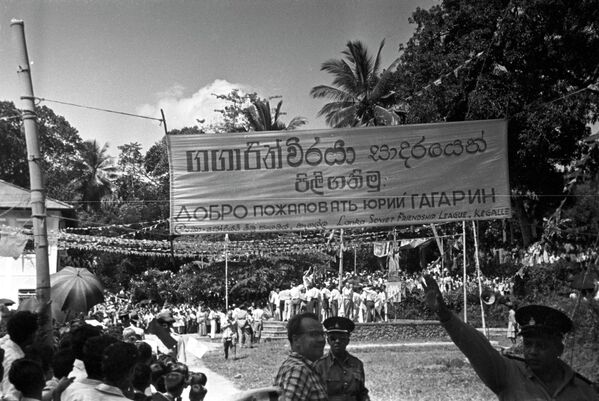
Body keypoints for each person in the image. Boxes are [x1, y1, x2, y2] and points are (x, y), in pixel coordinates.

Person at [422, 275, 599, 401]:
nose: (532, 351)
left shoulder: (585, 392)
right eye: (528, 344)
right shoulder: (508, 374)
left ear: (559, 349)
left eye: (541, 346)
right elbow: (477, 348)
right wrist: (445, 316)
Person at [273, 312, 327, 401]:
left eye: (322, 334)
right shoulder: (298, 370)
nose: (321, 339)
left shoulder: (305, 367)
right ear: (296, 340)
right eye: (314, 334)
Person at [314, 317, 370, 401]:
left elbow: (361, 393)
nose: (337, 341)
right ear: (328, 340)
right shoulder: (320, 366)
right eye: (333, 338)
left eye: (342, 338)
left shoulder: (357, 364)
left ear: (348, 340)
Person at [0, 310, 39, 401]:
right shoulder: (15, 361)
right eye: (36, 331)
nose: (37, 334)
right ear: (31, 334)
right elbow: (10, 397)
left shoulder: (3, 345)